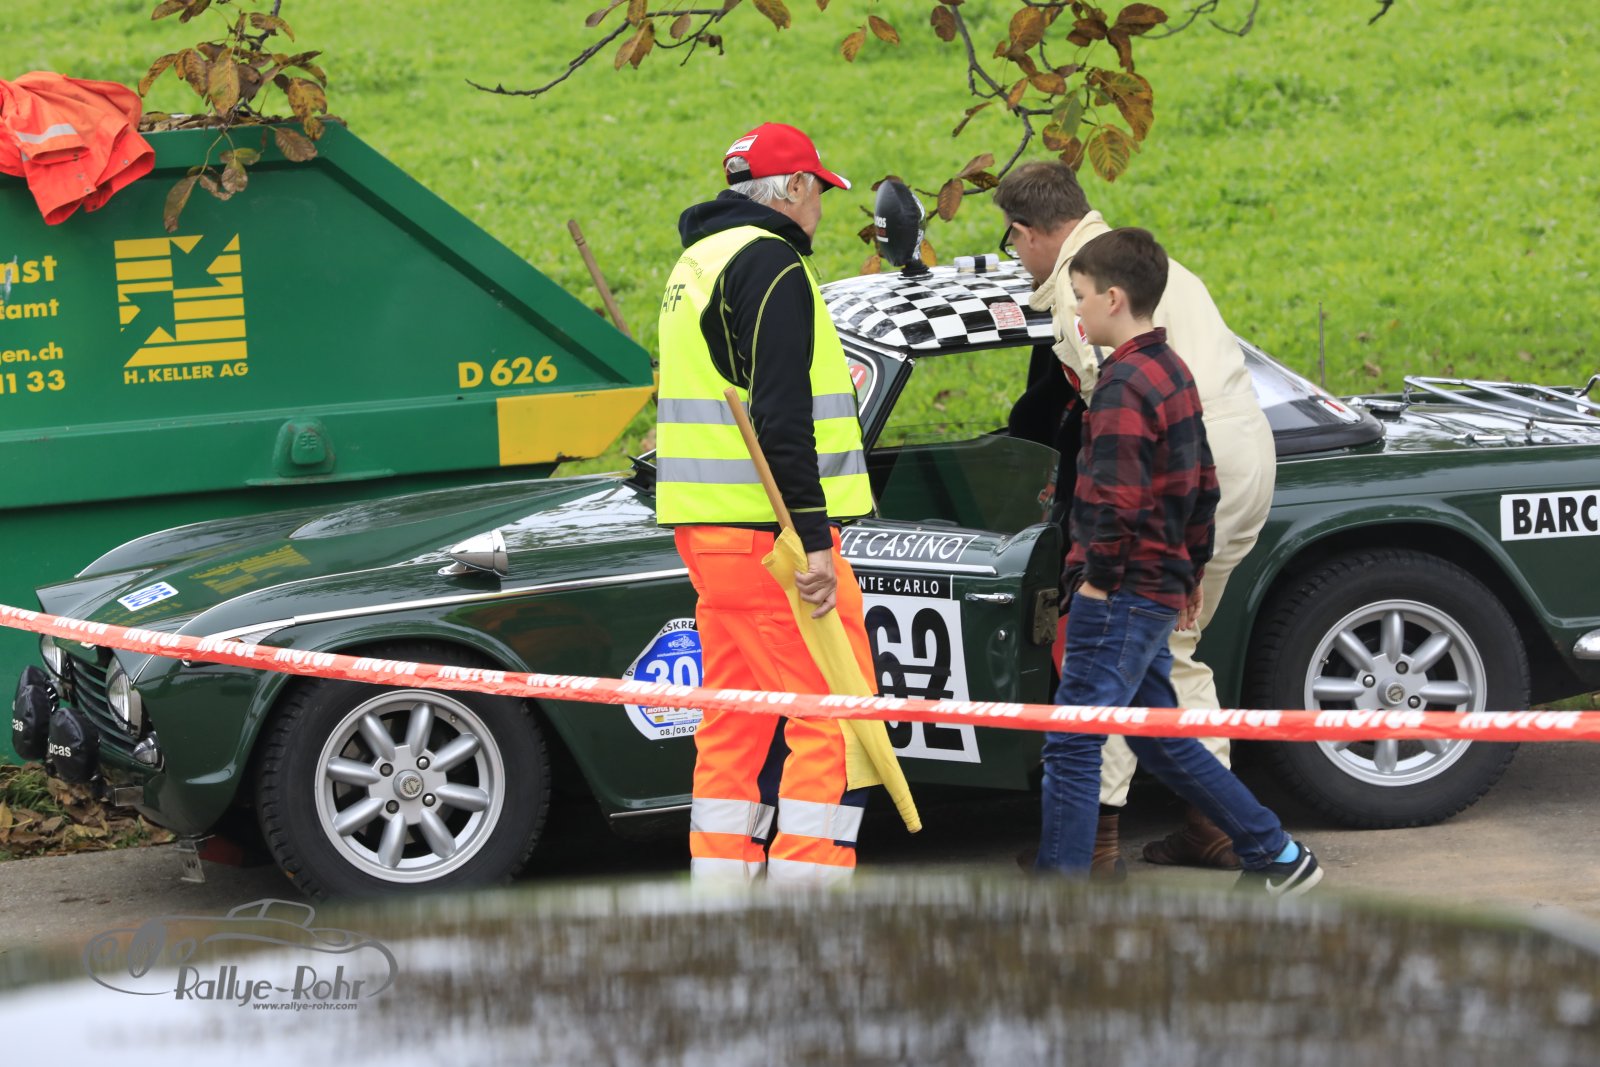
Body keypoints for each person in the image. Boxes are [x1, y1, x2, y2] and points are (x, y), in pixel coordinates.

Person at [995, 162, 1277, 877]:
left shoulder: (1084, 292)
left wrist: (1100, 569)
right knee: (1173, 647)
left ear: (1028, 232)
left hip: (1177, 463)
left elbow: (1116, 428)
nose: (1017, 255)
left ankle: (1093, 839)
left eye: (1013, 241)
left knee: (1112, 652)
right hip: (1247, 452)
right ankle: (1216, 826)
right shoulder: (1151, 264)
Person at [1032, 227, 1320, 895]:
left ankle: (1059, 900)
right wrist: (1188, 574)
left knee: (1072, 742)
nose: (1074, 311)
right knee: (1161, 737)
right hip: (1158, 588)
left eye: (1079, 297)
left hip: (1117, 594)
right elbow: (1201, 485)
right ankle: (1275, 854)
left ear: (1113, 298)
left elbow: (1117, 500)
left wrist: (1097, 584)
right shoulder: (1173, 371)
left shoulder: (1121, 385)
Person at [655, 122, 878, 884]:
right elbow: (782, 417)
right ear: (793, 187)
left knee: (734, 717)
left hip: (710, 534)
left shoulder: (698, 260)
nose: (820, 208)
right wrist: (812, 541)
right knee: (832, 714)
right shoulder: (773, 263)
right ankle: (808, 896)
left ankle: (722, 887)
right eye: (818, 191)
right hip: (771, 538)